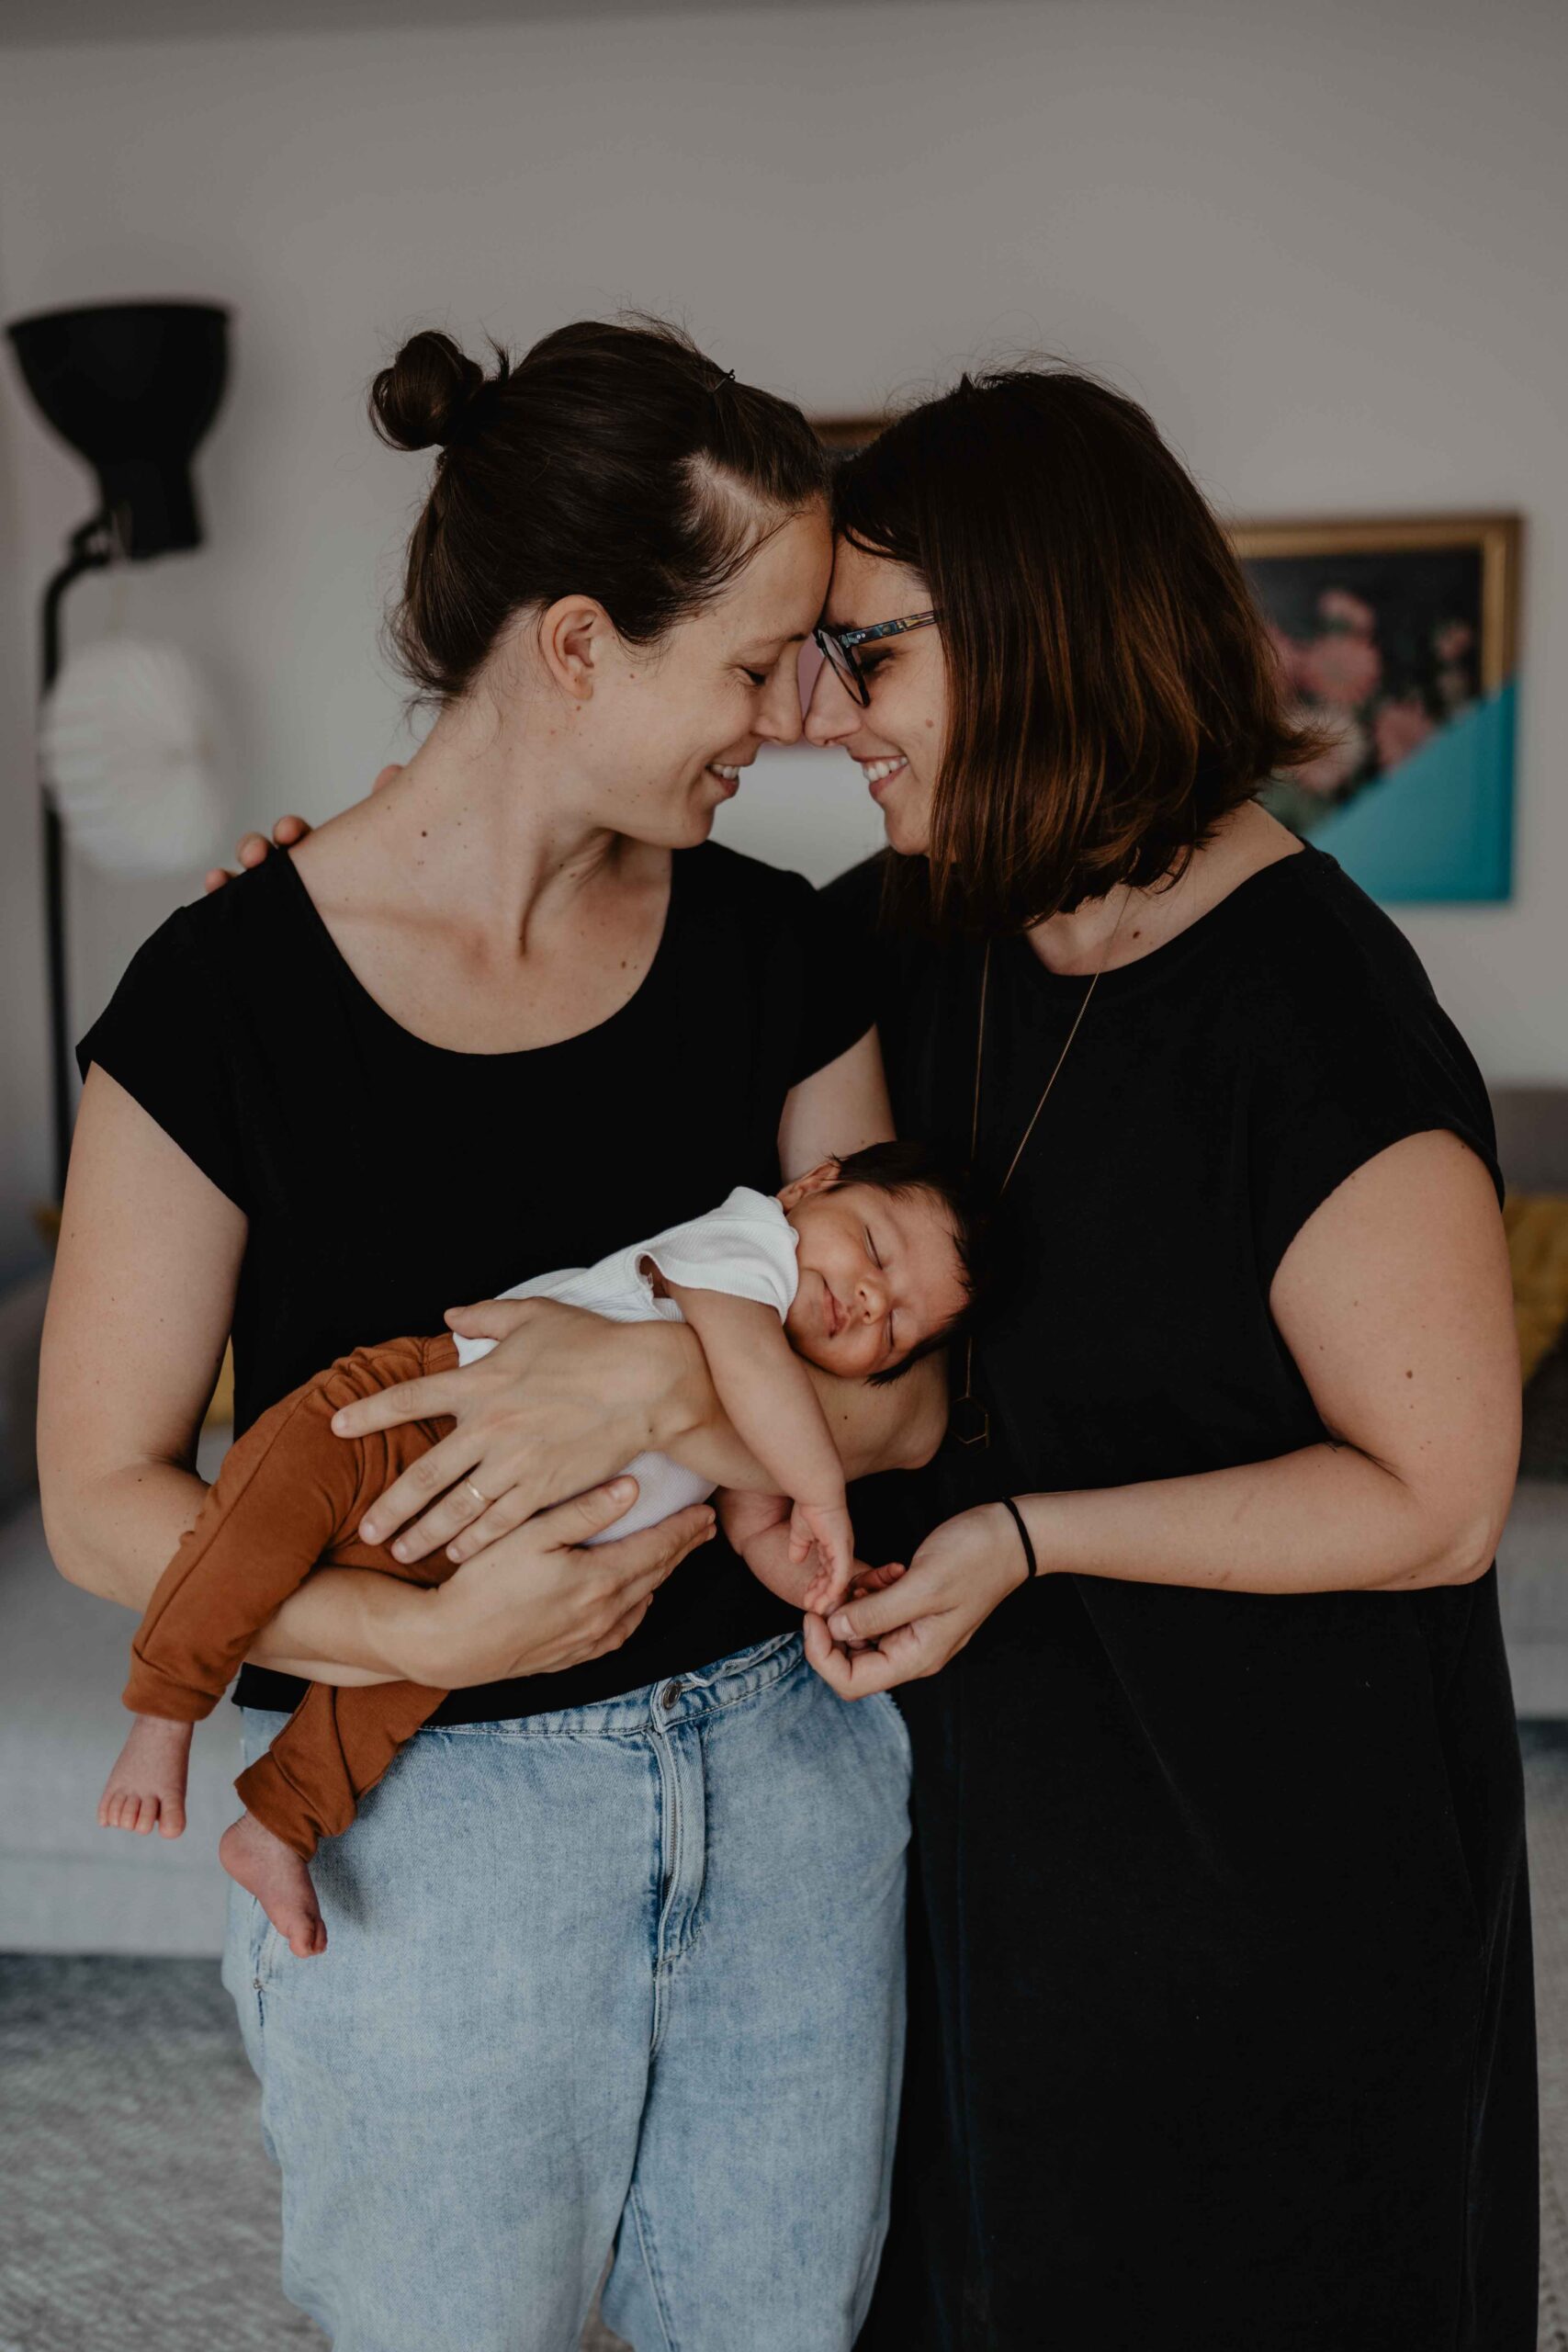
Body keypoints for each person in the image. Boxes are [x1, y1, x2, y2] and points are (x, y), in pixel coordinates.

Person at [272, 363, 1531, 2352]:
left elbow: (1437, 1501)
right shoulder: (916, 927)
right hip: (959, 1823)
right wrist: (307, 914)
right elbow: (585, 947)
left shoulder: (1318, 1020)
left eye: (866, 651)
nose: (822, 711)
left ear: (1041, 622)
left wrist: (1024, 1537)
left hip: (1262, 1846)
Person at [39, 318, 946, 2352]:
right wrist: (409, 1641)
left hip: (787, 1778)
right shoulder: (220, 998)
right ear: (572, 647)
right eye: (757, 658)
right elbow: (103, 1498)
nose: (795, 715)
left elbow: (904, 1387)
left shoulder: (776, 948)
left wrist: (667, 1395)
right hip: (419, 1832)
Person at [98, 1147, 979, 1962]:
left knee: (396, 1693)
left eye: (897, 1326)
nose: (868, 1295)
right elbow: (750, 1373)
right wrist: (828, 1499)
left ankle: (277, 1824)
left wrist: (809, 1573)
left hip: (497, 1540)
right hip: (413, 1415)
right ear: (805, 1188)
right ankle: (164, 1714)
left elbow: (752, 1515)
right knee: (247, 1540)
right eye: (871, 1245)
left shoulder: (775, 1405)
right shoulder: (746, 1249)